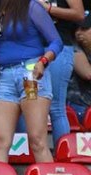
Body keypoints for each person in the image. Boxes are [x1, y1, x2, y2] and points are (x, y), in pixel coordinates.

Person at [0, 0, 63, 163]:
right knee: (0, 142)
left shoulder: (31, 7)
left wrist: (43, 61)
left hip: (31, 74)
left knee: (37, 140)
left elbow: (56, 41)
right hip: (5, 77)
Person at [17, 0, 85, 146]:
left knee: (56, 108)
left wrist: (47, 9)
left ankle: (62, 158)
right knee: (27, 103)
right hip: (30, 52)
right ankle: (24, 156)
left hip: (58, 50)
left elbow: (79, 14)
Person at [67, 14, 91, 121]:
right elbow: (88, 73)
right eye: (76, 29)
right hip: (80, 107)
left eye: (84, 29)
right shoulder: (74, 48)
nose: (78, 33)